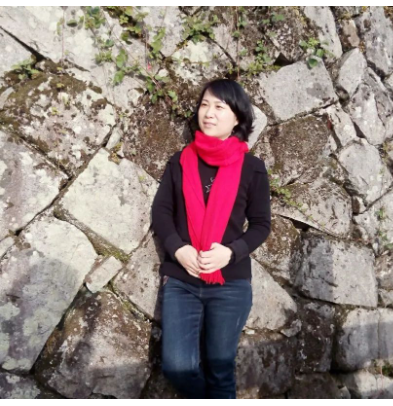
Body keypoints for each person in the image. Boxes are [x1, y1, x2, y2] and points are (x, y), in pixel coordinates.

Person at [151, 78, 271, 399]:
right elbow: (161, 212)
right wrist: (178, 249)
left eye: (219, 106)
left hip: (230, 284)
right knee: (177, 367)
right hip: (182, 280)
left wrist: (230, 253)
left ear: (237, 118)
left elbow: (261, 225)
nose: (209, 113)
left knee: (220, 370)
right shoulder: (180, 161)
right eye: (205, 104)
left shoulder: (252, 168)